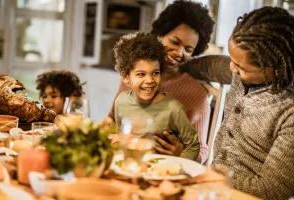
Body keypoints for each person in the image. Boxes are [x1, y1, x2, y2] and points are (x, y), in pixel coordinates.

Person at [180, 6, 294, 200]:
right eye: (233, 61)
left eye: (241, 67)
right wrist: (172, 68)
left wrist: (208, 177)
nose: (232, 68)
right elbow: (209, 67)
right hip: (213, 191)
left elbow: (272, 189)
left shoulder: (289, 111)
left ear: (274, 68)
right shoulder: (241, 75)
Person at [108, 0, 215, 163]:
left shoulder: (196, 93)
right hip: (125, 159)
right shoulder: (135, 73)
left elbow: (202, 150)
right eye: (174, 42)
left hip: (164, 167)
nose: (179, 53)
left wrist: (181, 153)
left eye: (188, 49)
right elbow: (112, 119)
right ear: (159, 35)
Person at [113, 32, 200, 160]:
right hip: (130, 166)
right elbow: (119, 135)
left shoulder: (173, 108)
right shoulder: (121, 101)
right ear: (126, 77)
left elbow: (193, 145)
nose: (149, 80)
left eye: (155, 73)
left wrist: (178, 163)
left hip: (159, 171)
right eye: (141, 74)